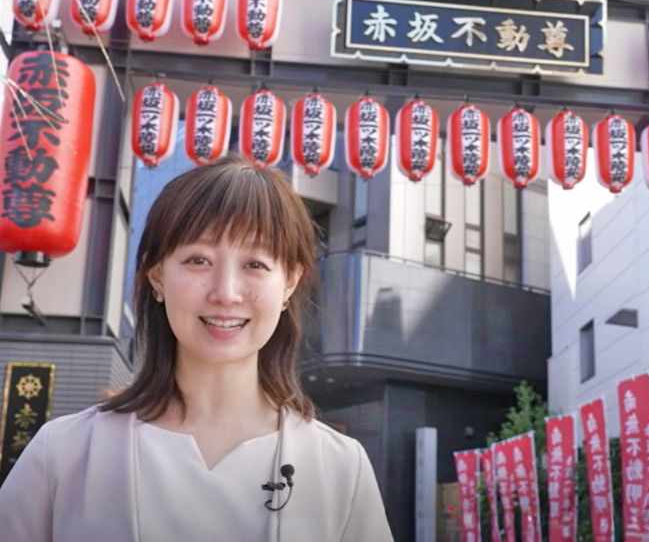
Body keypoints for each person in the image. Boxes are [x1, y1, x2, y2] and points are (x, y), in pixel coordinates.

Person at [0, 154, 394, 542]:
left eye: (255, 264)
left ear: (289, 282)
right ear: (157, 276)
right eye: (198, 260)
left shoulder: (340, 467)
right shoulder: (64, 453)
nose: (226, 292)